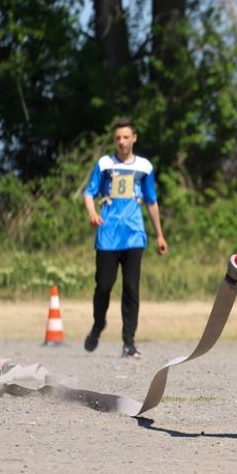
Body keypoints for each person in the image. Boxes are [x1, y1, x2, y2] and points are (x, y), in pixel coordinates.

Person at [82, 117, 168, 358]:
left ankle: (129, 342)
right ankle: (98, 325)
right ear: (114, 140)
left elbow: (151, 202)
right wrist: (92, 213)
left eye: (126, 137)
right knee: (104, 285)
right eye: (118, 138)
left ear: (134, 138)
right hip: (108, 235)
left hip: (134, 235)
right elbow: (89, 194)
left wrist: (159, 235)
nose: (121, 142)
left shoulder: (144, 167)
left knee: (131, 288)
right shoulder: (104, 164)